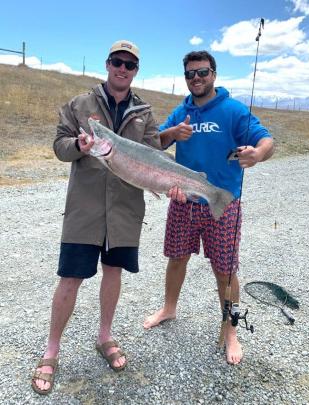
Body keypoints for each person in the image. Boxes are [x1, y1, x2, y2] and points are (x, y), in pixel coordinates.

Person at [31, 40, 165, 395]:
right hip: (85, 210)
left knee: (113, 273)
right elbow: (60, 146)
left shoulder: (144, 111)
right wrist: (78, 146)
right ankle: (51, 351)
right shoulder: (80, 104)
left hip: (125, 212)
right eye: (117, 62)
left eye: (130, 64)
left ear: (136, 70)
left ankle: (105, 337)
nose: (123, 69)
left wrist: (169, 183)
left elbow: (152, 155)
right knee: (71, 278)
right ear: (107, 64)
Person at [144, 50, 274, 365]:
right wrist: (171, 134)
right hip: (184, 202)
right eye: (190, 74)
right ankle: (169, 308)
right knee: (176, 260)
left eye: (202, 72)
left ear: (213, 73)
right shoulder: (180, 111)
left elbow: (266, 140)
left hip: (223, 204)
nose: (196, 79)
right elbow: (154, 145)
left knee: (225, 272)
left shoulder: (233, 110)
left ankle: (230, 331)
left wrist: (256, 155)